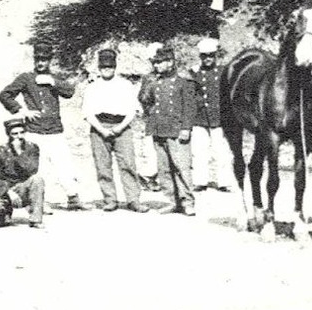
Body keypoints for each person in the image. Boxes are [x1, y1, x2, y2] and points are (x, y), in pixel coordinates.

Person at [0, 42, 85, 212]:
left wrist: (53, 82)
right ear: (34, 59)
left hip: (54, 130)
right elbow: (5, 95)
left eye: (44, 59)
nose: (41, 63)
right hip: (34, 130)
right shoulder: (26, 78)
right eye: (38, 59)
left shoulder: (54, 78)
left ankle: (73, 198)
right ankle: (38, 203)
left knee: (64, 165)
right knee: (37, 168)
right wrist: (22, 110)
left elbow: (69, 92)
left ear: (50, 60)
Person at [81, 47, 145, 212]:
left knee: (128, 164)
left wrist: (119, 128)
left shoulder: (125, 85)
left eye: (109, 67)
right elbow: (87, 112)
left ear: (115, 67)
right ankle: (110, 199)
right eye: (103, 67)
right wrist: (101, 129)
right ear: (99, 68)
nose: (106, 70)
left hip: (122, 128)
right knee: (103, 166)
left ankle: (133, 200)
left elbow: (133, 110)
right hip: (99, 127)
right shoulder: (92, 87)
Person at [137, 45, 197, 215]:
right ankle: (172, 201)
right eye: (155, 63)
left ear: (170, 62)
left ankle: (187, 201)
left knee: (181, 167)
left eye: (160, 63)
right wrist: (147, 83)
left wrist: (186, 128)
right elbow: (144, 100)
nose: (156, 66)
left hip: (177, 129)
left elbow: (190, 107)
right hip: (158, 128)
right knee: (164, 169)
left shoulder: (183, 80)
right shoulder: (154, 81)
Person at [0, 116, 45, 228]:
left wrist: (19, 153)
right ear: (9, 135)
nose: (19, 136)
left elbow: (32, 169)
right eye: (15, 134)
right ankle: (3, 216)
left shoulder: (32, 148)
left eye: (22, 132)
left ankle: (36, 219)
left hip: (23, 189)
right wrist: (8, 192)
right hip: (6, 190)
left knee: (37, 180)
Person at [189, 37, 232, 192]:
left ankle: (224, 182)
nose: (208, 59)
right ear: (200, 57)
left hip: (219, 117)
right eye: (204, 56)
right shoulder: (193, 73)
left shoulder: (223, 72)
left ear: (216, 56)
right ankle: (201, 181)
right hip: (199, 118)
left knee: (222, 152)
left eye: (211, 55)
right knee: (199, 152)